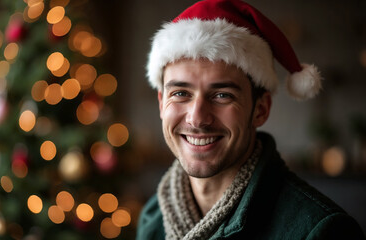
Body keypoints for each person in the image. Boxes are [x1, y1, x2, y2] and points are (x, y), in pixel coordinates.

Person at [136, 0, 366, 239]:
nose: (197, 118)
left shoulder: (321, 230)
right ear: (162, 102)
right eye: (181, 93)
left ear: (261, 109)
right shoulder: (152, 218)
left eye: (222, 95)